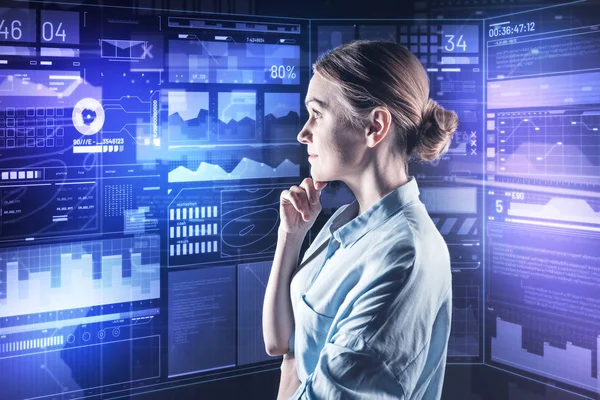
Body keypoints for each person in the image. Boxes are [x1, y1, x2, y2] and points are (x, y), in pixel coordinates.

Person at [263, 39, 459, 400]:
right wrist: (290, 238)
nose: (303, 133)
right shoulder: (345, 221)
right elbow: (279, 343)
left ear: (374, 126)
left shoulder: (402, 259)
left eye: (317, 113)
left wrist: (290, 372)